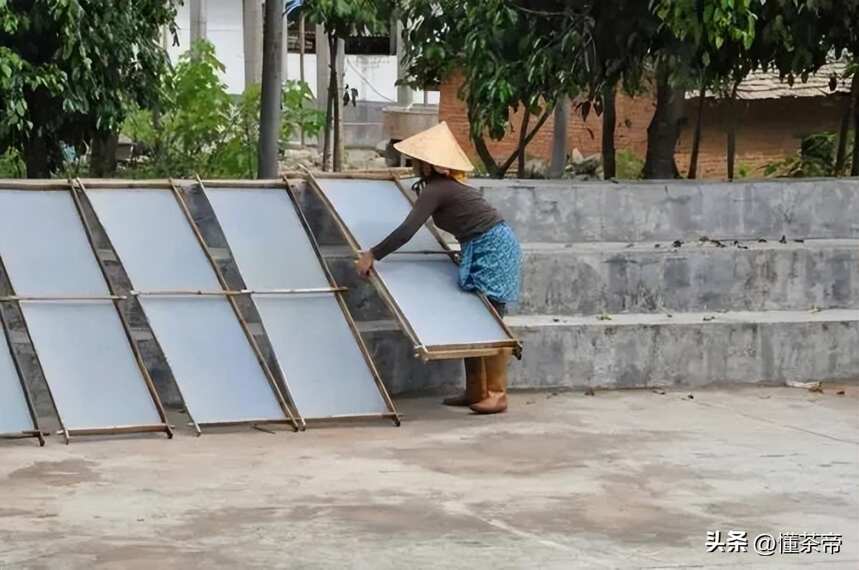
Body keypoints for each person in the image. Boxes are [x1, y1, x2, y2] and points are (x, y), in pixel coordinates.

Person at [355, 122, 521, 414]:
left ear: (429, 165)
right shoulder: (440, 188)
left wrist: (373, 254)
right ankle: (475, 391)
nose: (415, 165)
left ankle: (497, 394)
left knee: (488, 316)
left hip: (494, 247)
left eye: (419, 161)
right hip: (480, 245)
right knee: (473, 316)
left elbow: (407, 230)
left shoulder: (438, 189)